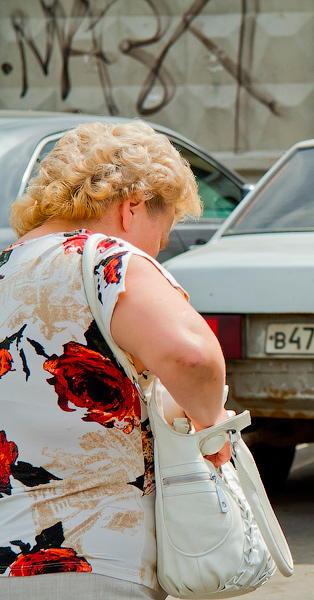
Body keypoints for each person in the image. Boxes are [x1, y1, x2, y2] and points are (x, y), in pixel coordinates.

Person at [0, 121, 230, 599]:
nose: (157, 249)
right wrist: (211, 428)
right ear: (132, 207)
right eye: (160, 233)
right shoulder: (108, 259)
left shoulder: (5, 267)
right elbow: (192, 357)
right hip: (93, 559)